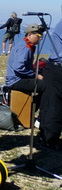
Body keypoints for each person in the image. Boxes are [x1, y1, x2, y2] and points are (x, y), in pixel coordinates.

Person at [38, 18, 62, 150]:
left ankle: (49, 136)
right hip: (58, 68)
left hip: (56, 68)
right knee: (54, 105)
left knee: (54, 104)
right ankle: (50, 139)